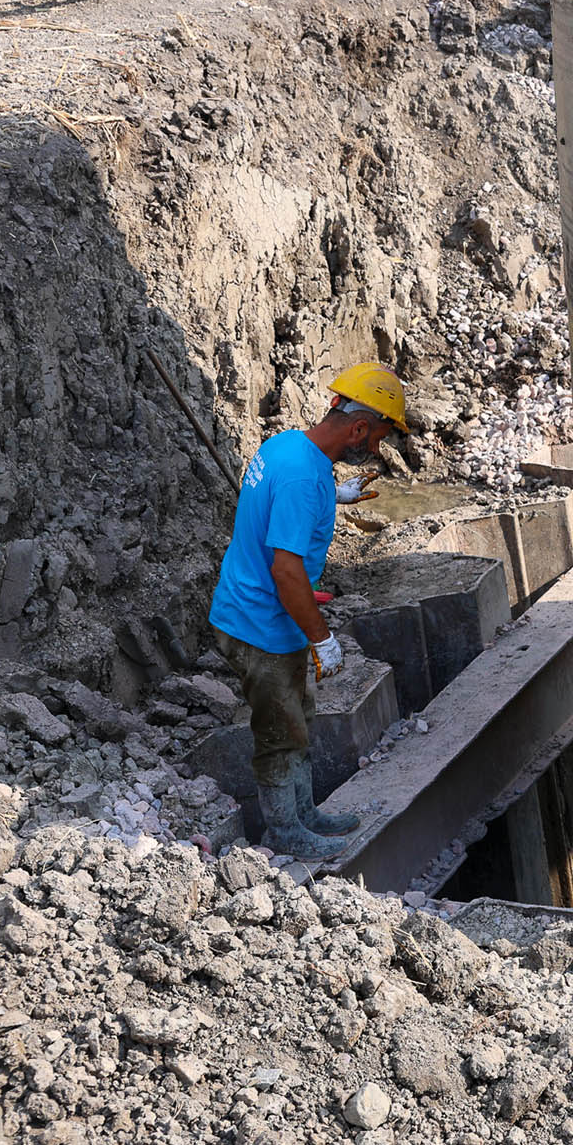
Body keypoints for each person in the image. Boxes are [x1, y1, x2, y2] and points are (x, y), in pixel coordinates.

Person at [207, 362, 409, 859]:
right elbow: (287, 573)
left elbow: (285, 493)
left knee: (298, 715)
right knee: (280, 730)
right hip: (260, 624)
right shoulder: (302, 477)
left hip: (258, 613)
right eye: (379, 436)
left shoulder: (289, 448)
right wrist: (322, 637)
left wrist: (333, 494)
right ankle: (283, 831)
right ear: (359, 427)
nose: (378, 449)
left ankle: (304, 812)